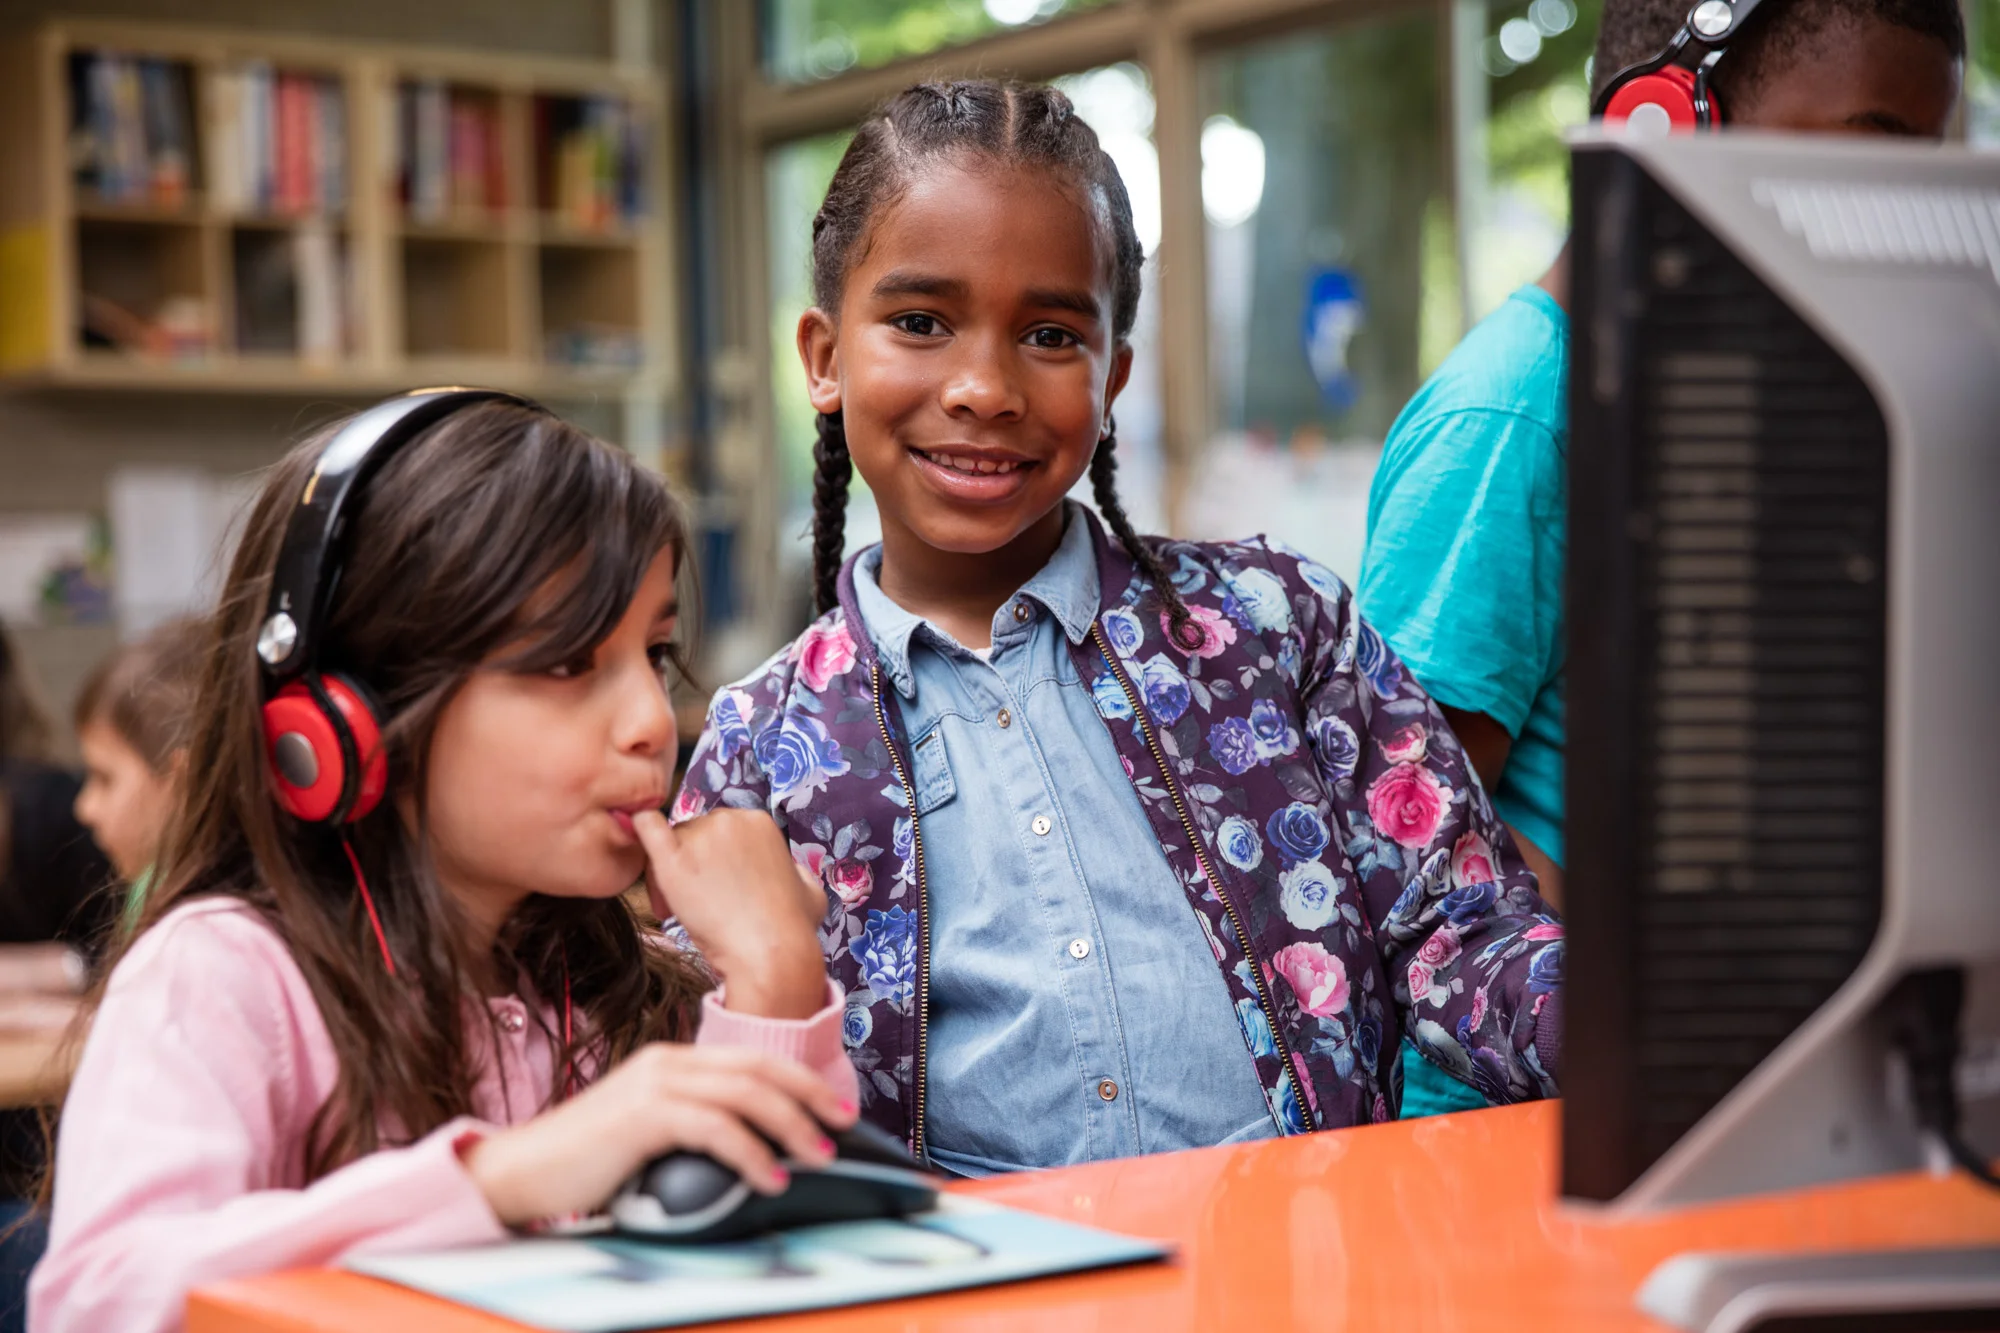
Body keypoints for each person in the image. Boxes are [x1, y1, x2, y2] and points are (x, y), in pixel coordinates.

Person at [672, 79, 1563, 1179]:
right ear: (822, 357)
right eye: (920, 322)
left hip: (1305, 1249)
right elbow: (713, 1075)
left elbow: (1458, 929)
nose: (984, 387)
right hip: (971, 1268)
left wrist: (1646, 1029)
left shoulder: (1277, 626)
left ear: (1112, 380)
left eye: (1049, 334)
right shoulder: (759, 750)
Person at [29, 397, 860, 1333]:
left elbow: (805, 1277)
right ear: (344, 715)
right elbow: (100, 1300)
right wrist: (498, 1179)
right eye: (568, 664)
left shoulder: (617, 987)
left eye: (655, 653)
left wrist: (774, 977)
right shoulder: (223, 976)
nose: (651, 722)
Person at [1356, 0, 1963, 1119]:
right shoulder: (1516, 413)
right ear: (1663, 123)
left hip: (1719, 1072)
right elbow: (1417, 837)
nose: (1897, 217)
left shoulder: (1730, 393)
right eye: (1868, 159)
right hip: (1522, 1114)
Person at [0, 626, 111, 1333]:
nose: (94, 805)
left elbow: (109, 957)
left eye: (112, 779)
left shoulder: (48, 805)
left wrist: (40, 972)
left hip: (37, 1167)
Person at [71, 617, 206, 933]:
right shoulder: (150, 888)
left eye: (105, 778)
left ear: (182, 783)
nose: (84, 808)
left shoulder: (183, 920)